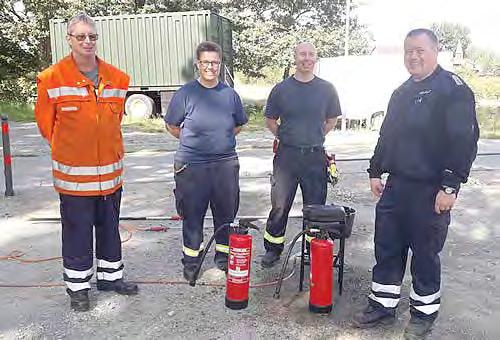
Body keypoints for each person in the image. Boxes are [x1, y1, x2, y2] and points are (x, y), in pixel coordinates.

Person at [353, 28, 479, 339]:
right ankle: (382, 306)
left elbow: (464, 140)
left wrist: (450, 186)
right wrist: (374, 170)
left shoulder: (453, 89)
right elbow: (387, 136)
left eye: (420, 50)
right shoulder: (401, 92)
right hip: (397, 186)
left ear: (436, 51)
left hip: (431, 190)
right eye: (409, 50)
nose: (413, 56)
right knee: (387, 248)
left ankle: (423, 314)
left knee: (424, 253)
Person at [34, 13, 138, 312]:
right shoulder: (52, 78)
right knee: (77, 231)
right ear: (69, 39)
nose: (87, 41)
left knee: (110, 228)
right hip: (74, 178)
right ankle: (78, 288)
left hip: (110, 175)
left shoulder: (117, 78)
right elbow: (45, 125)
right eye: (80, 36)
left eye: (92, 36)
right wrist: (72, 149)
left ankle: (111, 278)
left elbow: (114, 120)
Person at [165, 41, 248, 282]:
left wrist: (219, 139)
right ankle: (192, 263)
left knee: (226, 214)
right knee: (193, 215)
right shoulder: (186, 93)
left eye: (215, 62)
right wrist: (193, 141)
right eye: (206, 62)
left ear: (220, 65)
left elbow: (239, 124)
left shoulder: (230, 95)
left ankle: (222, 260)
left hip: (225, 165)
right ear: (197, 65)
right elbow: (171, 125)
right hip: (192, 166)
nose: (210, 67)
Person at [261, 42, 342, 267]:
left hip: (315, 157)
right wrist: (288, 137)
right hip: (287, 157)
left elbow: (331, 121)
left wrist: (312, 137)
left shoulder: (327, 89)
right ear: (295, 58)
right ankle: (273, 249)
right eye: (302, 54)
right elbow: (270, 120)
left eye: (311, 55)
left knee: (315, 207)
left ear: (316, 58)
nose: (306, 58)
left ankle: (312, 249)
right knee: (279, 205)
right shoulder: (281, 89)